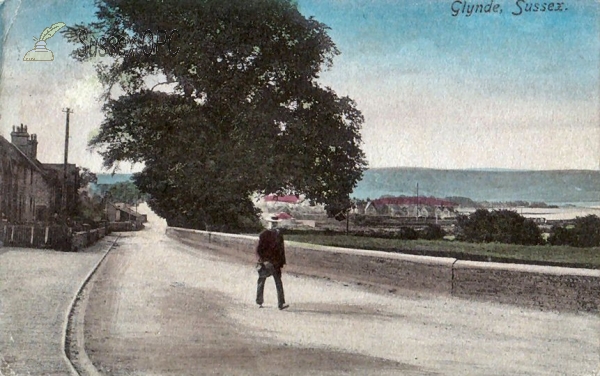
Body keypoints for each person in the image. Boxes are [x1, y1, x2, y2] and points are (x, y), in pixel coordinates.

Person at [255, 217, 289, 310]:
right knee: (261, 281)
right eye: (272, 223)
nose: (274, 225)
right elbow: (259, 250)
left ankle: (280, 303)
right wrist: (264, 261)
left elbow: (281, 251)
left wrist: (282, 263)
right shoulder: (263, 235)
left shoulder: (279, 235)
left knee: (278, 282)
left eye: (275, 223)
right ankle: (259, 301)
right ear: (268, 224)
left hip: (276, 263)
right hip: (265, 262)